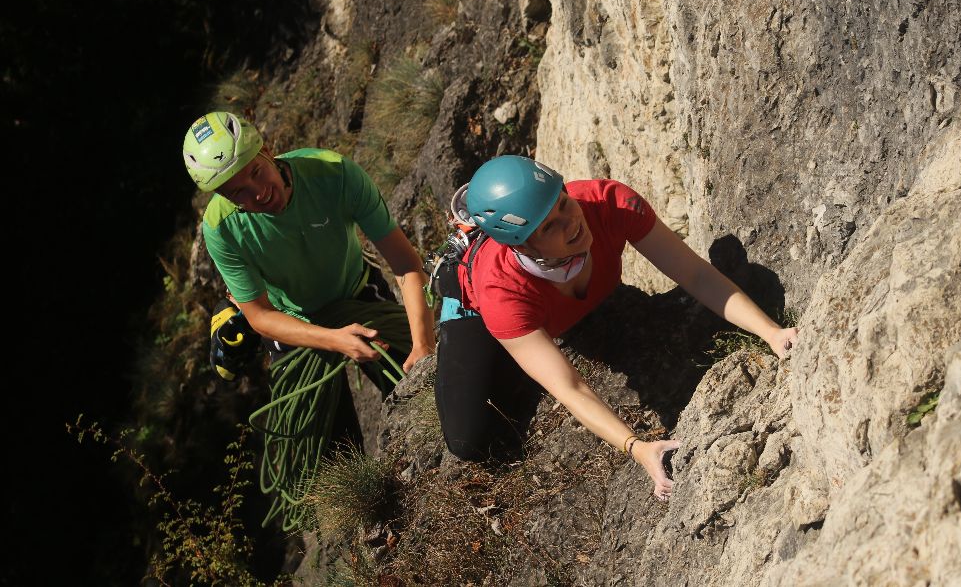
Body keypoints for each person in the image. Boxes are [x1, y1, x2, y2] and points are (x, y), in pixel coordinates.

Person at [433, 155, 798, 500]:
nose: (571, 221)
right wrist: (637, 447)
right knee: (469, 440)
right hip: (478, 313)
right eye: (549, 226)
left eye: (562, 202)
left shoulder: (610, 203)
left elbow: (697, 275)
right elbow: (570, 387)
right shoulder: (502, 294)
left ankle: (530, 343)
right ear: (524, 246)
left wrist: (771, 332)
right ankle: (477, 296)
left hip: (549, 303)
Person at [182, 111, 435, 386]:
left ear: (267, 151)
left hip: (355, 289)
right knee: (324, 428)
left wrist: (423, 345)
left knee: (413, 381)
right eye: (237, 192)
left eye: (256, 172)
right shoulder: (221, 228)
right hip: (289, 319)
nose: (257, 193)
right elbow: (260, 314)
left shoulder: (334, 174)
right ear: (222, 196)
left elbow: (405, 264)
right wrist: (333, 339)